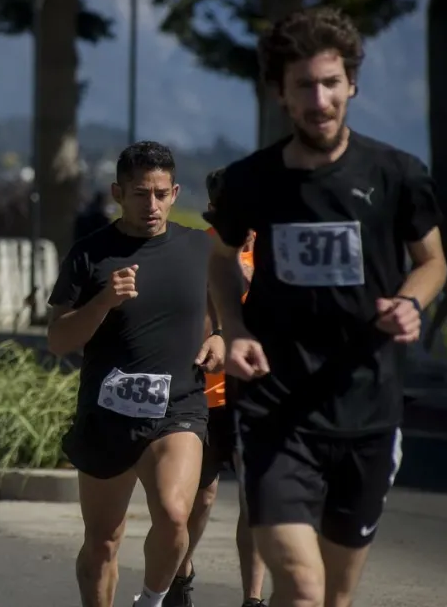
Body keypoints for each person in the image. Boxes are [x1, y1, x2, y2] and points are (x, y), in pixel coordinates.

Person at [207, 6, 447, 607]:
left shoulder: (397, 175)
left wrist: (410, 304)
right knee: (304, 587)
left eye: (330, 82)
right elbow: (219, 260)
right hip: (274, 407)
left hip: (366, 406)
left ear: (352, 84)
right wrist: (234, 328)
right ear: (282, 95)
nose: (319, 100)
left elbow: (434, 261)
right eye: (304, 87)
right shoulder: (249, 181)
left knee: (333, 598)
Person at [46, 141, 225, 607]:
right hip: (108, 411)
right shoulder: (91, 255)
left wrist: (220, 337)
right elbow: (59, 339)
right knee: (103, 541)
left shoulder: (198, 248)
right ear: (118, 193)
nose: (153, 205)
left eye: (162, 194)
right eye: (141, 194)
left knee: (172, 512)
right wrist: (103, 300)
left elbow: (228, 312)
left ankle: (151, 600)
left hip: (179, 405)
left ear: (175, 192)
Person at [165, 168, 265, 607]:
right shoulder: (196, 250)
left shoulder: (274, 254)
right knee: (202, 496)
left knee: (255, 496)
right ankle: (181, 570)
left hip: (257, 393)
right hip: (205, 392)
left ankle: (253, 599)